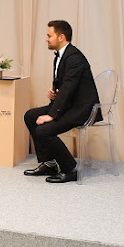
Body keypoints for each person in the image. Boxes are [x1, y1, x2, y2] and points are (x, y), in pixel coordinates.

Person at [24, 20, 101, 183]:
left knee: (44, 130)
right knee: (30, 116)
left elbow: (69, 88)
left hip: (81, 109)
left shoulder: (74, 57)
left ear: (61, 37)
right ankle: (49, 163)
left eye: (49, 35)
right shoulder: (61, 56)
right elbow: (64, 87)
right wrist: (54, 94)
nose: (46, 39)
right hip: (67, 105)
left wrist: (51, 115)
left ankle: (70, 169)